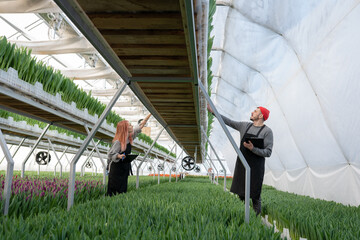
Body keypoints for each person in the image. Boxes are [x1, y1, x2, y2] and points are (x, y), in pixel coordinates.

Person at [207, 104, 273, 215]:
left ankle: (255, 222)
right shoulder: (244, 126)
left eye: (255, 111)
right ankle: (241, 218)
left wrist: (253, 148)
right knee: (241, 195)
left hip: (256, 168)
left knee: (255, 196)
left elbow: (268, 152)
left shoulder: (267, 132)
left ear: (261, 116)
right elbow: (228, 122)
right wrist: (213, 112)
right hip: (242, 165)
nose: (252, 112)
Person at [107, 113, 151, 196]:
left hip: (124, 167)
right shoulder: (118, 142)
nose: (132, 126)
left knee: (123, 190)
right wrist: (118, 156)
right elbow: (110, 155)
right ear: (125, 128)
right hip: (116, 169)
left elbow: (141, 125)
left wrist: (150, 114)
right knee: (114, 191)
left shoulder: (129, 137)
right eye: (130, 125)